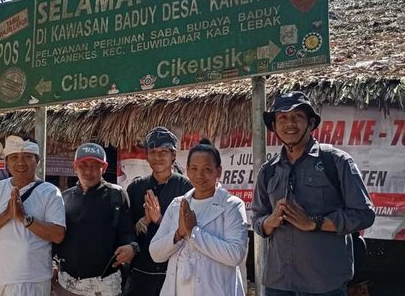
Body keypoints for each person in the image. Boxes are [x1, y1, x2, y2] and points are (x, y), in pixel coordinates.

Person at [251, 91, 376, 296]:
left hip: (324, 285)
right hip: (278, 283)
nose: (289, 123)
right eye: (282, 117)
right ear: (273, 126)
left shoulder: (336, 161)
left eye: (296, 116)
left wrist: (315, 222)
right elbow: (257, 217)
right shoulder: (268, 171)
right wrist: (270, 221)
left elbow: (364, 214)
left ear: (310, 123)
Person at [149, 139, 248, 296]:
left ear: (219, 171)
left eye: (207, 169)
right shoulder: (177, 205)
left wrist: (193, 232)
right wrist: (179, 234)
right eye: (194, 168)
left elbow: (235, 254)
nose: (199, 175)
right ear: (187, 170)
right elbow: (155, 253)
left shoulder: (232, 205)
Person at [0, 135, 65, 296]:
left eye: (28, 157)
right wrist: (6, 215)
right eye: (14, 157)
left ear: (38, 161)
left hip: (34, 280)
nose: (20, 162)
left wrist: (24, 218)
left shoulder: (50, 192)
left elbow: (58, 235)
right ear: (7, 162)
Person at [54, 143, 138, 296]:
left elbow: (127, 233)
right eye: (83, 165)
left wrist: (131, 247)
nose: (88, 170)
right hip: (67, 284)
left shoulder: (117, 195)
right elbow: (57, 237)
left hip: (105, 284)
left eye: (95, 165)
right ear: (75, 166)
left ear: (104, 168)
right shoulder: (65, 197)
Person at [123, 127, 192, 296]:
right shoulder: (136, 188)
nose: (158, 157)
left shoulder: (187, 189)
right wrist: (145, 221)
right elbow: (126, 231)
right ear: (146, 156)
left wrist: (160, 220)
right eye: (153, 152)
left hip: (175, 271)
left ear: (173, 155)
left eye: (164, 152)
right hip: (141, 272)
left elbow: (191, 233)